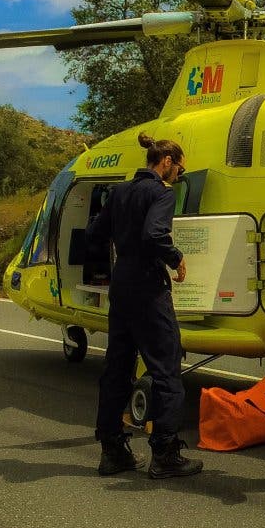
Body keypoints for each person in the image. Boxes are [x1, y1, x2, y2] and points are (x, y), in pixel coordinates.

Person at [86, 133, 202, 479]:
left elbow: (93, 233)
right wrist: (175, 257)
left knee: (117, 369)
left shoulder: (120, 192)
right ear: (166, 163)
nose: (179, 175)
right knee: (167, 370)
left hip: (121, 288)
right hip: (149, 290)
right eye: (179, 168)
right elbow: (155, 234)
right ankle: (165, 454)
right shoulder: (161, 193)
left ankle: (112, 450)